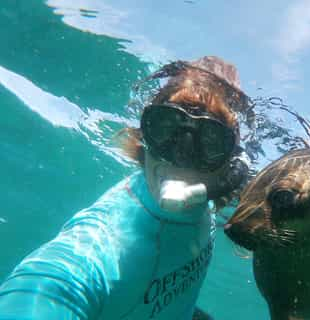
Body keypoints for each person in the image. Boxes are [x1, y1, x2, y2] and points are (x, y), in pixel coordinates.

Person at [0, 56, 250, 320]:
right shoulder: (99, 248)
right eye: (166, 128)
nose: (181, 159)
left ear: (230, 163)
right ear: (144, 135)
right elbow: (50, 287)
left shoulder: (215, 193)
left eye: (210, 141)